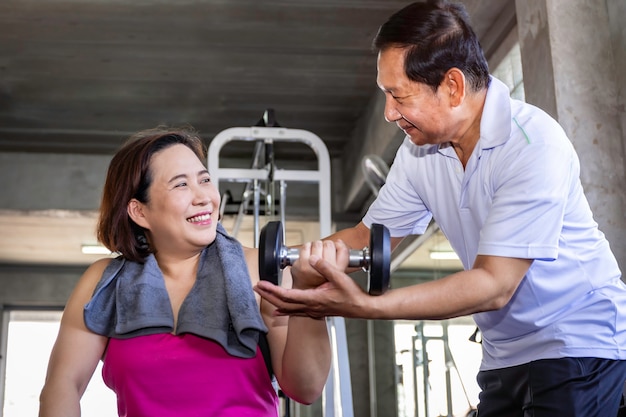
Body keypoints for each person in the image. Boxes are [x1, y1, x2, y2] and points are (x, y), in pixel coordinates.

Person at [254, 1, 626, 416]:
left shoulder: (533, 144)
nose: (389, 113)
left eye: (398, 96)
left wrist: (366, 306)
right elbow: (367, 238)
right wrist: (296, 264)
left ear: (452, 86)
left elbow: (493, 284)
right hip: (505, 354)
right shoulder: (419, 154)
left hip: (580, 344)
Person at [38, 126, 334, 417]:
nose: (204, 196)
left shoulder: (260, 270)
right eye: (181, 184)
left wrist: (308, 300)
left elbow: (305, 389)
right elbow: (62, 386)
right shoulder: (104, 283)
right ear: (139, 211)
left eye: (204, 180)